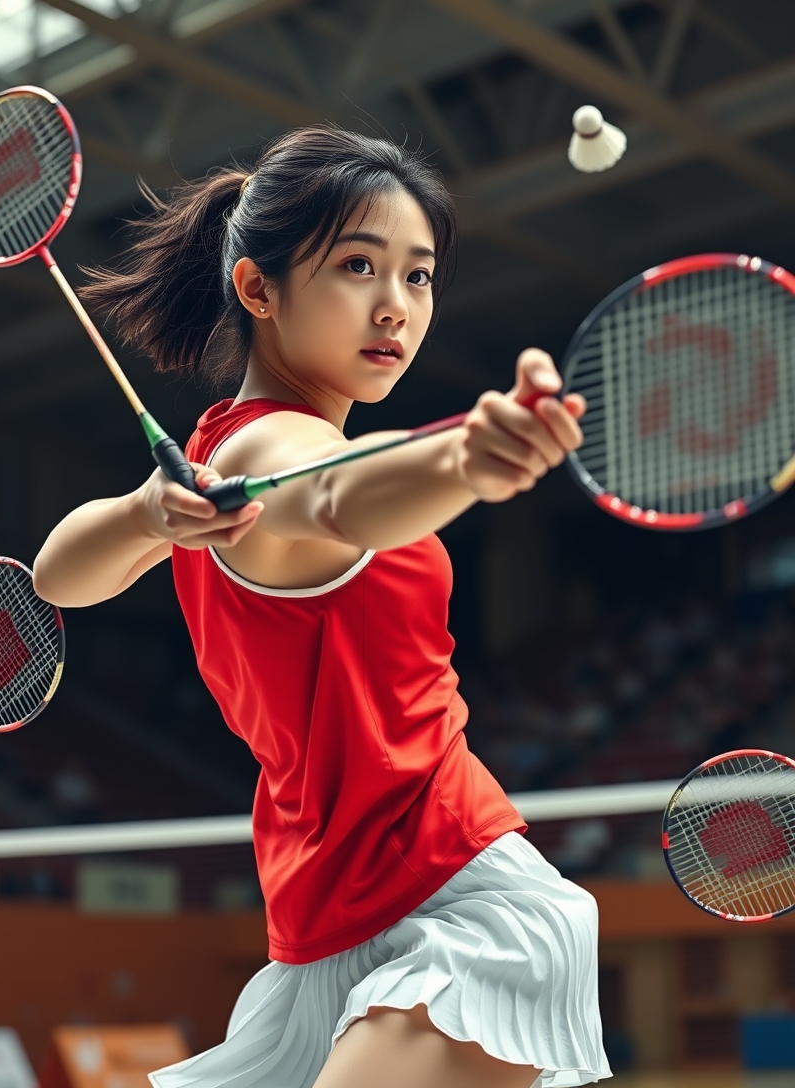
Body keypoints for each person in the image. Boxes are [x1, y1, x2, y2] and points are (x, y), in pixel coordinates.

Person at [33, 127, 610, 1088]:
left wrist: (463, 461)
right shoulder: (245, 449)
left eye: (419, 276)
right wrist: (144, 512)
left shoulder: (266, 452)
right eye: (357, 266)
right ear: (259, 289)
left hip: (453, 910)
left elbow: (340, 495)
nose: (396, 306)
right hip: (323, 925)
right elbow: (57, 576)